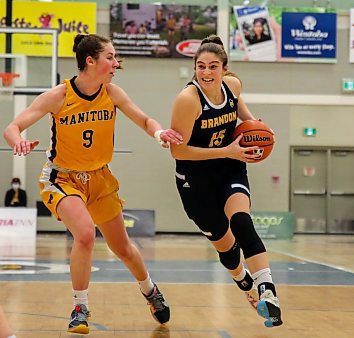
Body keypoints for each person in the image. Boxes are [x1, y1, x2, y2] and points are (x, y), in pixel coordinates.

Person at [3, 34, 183, 334]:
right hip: (62, 178)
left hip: (100, 178)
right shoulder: (58, 96)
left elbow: (145, 119)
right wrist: (19, 142)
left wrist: (159, 133)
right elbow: (12, 127)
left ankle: (150, 290)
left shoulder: (112, 93)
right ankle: (80, 306)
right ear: (91, 60)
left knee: (123, 247)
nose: (116, 63)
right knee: (85, 234)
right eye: (110, 57)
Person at [167, 35, 283, 328]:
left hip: (230, 167)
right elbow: (178, 150)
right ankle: (245, 283)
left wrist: (261, 131)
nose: (206, 72)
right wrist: (227, 150)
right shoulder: (188, 100)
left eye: (213, 66)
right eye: (201, 66)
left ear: (224, 69)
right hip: (195, 179)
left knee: (242, 221)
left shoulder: (233, 87)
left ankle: (268, 291)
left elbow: (244, 117)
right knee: (227, 248)